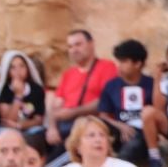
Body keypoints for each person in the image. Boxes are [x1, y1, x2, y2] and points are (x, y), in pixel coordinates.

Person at [95, 39, 168, 167]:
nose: (119, 66)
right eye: (119, 61)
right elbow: (103, 115)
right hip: (119, 130)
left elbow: (160, 114)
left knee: (131, 148)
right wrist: (120, 126)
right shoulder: (111, 85)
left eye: (124, 62)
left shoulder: (151, 84)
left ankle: (151, 160)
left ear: (137, 64)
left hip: (143, 134)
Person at [42, 29, 119, 157]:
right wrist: (52, 128)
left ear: (91, 44)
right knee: (35, 139)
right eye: (70, 46)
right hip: (65, 126)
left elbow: (104, 102)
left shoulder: (107, 67)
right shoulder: (68, 74)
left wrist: (73, 112)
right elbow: (56, 105)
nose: (74, 50)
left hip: (93, 124)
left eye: (78, 44)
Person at [0, 49, 49, 157]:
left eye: (21, 66)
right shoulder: (4, 90)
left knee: (38, 133)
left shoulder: (36, 89)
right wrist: (18, 95)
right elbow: (8, 119)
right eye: (13, 67)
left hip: (30, 129)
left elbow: (38, 120)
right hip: (8, 129)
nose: (18, 71)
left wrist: (20, 125)